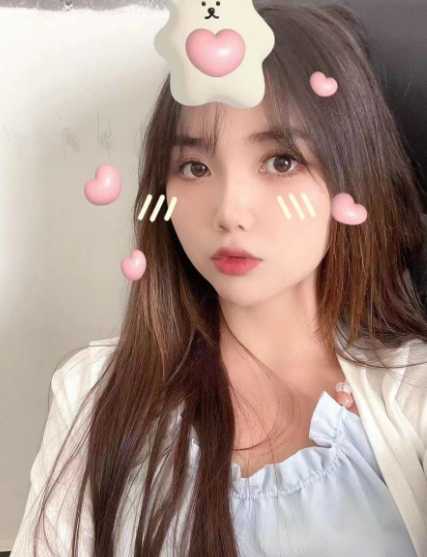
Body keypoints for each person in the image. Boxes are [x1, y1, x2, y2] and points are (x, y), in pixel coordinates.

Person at [10, 1, 427, 556]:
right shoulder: (96, 394)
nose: (230, 211)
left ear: (351, 177)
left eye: (281, 161)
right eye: (195, 167)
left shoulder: (413, 394)